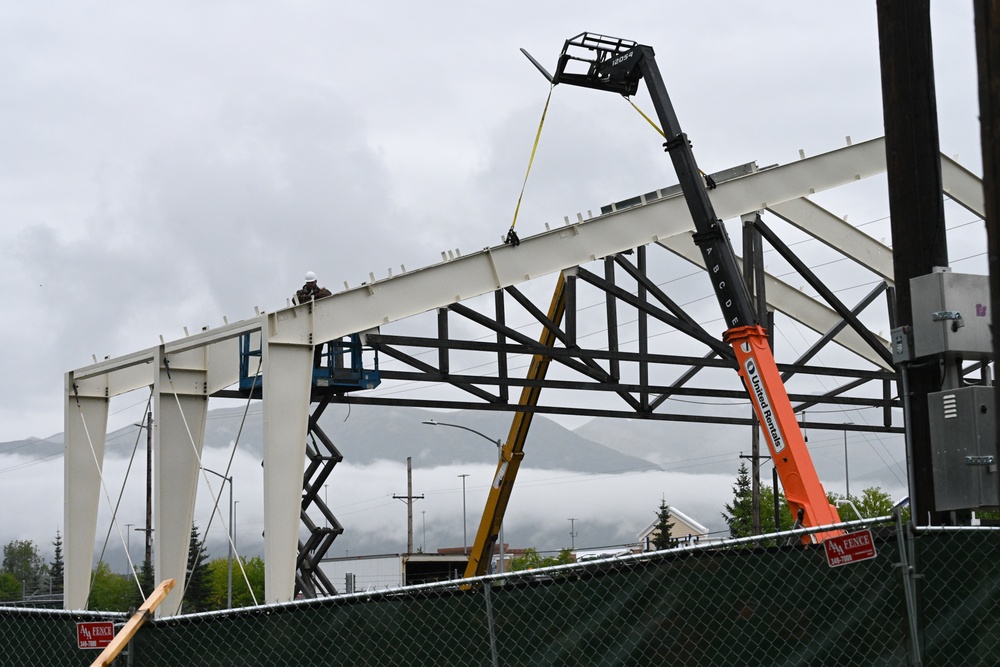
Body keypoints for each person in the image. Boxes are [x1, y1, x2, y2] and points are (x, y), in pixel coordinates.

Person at [294, 271, 333, 369]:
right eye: (308, 283)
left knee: (318, 348)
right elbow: (296, 300)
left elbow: (328, 294)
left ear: (315, 281)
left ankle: (316, 367)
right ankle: (306, 368)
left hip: (318, 325)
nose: (310, 285)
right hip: (305, 325)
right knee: (306, 349)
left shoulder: (322, 291)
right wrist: (315, 297)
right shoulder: (300, 292)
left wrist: (312, 297)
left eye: (312, 283)